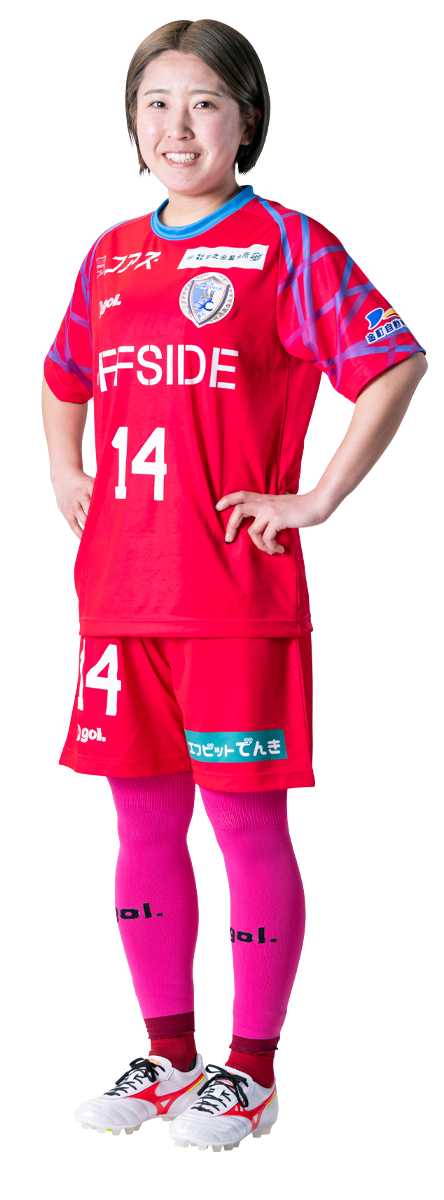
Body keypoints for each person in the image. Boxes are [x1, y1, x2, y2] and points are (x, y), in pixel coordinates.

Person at [42, 19, 426, 1148]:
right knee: (140, 825)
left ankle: (247, 1071)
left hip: (229, 598)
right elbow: (63, 374)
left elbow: (388, 363)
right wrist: (65, 469)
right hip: (119, 593)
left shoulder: (288, 247)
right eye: (156, 103)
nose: (178, 126)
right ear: (133, 125)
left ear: (246, 121)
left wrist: (314, 499)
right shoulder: (109, 259)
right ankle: (166, 1056)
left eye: (204, 102)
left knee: (241, 826)